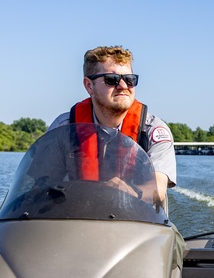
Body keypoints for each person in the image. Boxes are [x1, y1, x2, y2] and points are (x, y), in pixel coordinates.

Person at [47, 46, 177, 207]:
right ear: (89, 85)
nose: (123, 86)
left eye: (130, 79)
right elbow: (40, 183)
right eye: (112, 79)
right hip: (78, 219)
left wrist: (131, 190)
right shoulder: (64, 127)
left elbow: (158, 187)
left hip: (139, 223)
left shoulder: (152, 130)